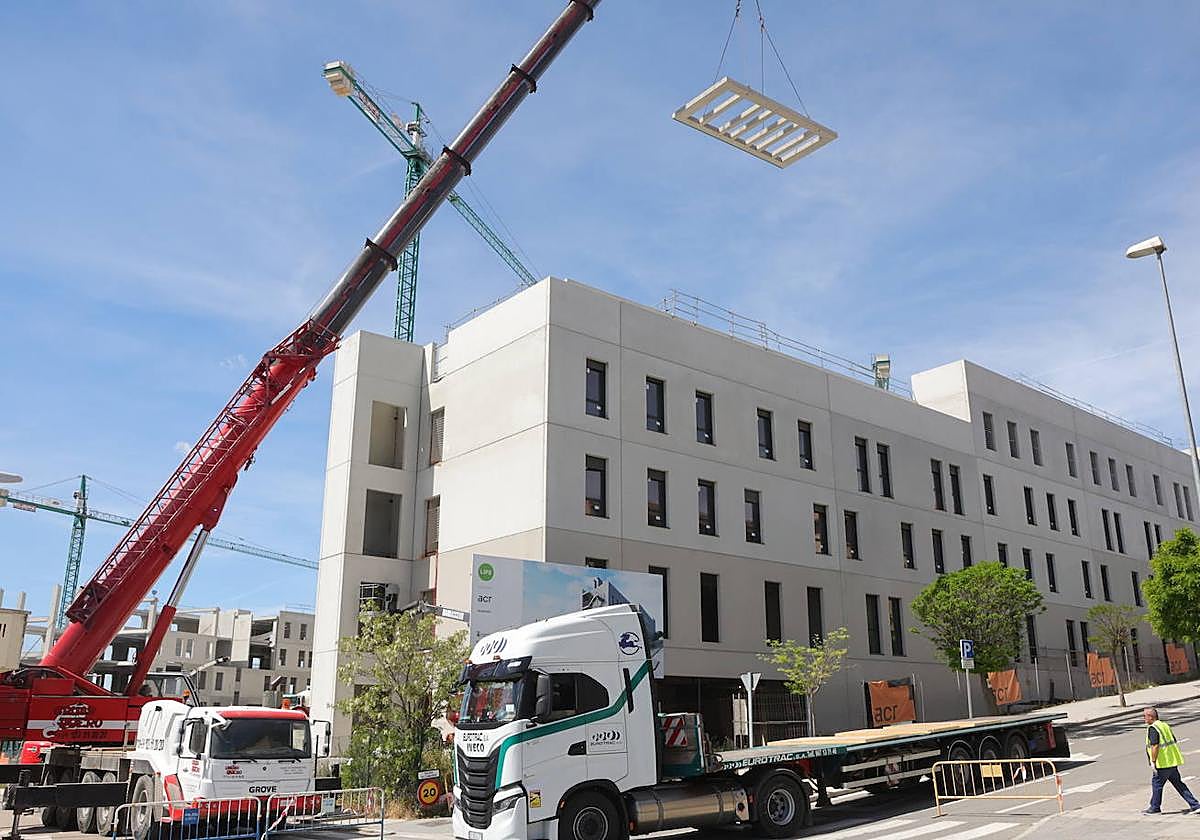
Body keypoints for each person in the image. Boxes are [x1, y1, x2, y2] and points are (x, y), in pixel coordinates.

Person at [1143, 706, 1200, 815]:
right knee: (1179, 784)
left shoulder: (1153, 728)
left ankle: (1155, 808)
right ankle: (1195, 805)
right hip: (1171, 762)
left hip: (1162, 763)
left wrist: (1153, 761)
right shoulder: (1164, 725)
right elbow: (1173, 740)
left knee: (1157, 784)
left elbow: (1155, 745)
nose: (1143, 719)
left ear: (1151, 717)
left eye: (1144, 716)